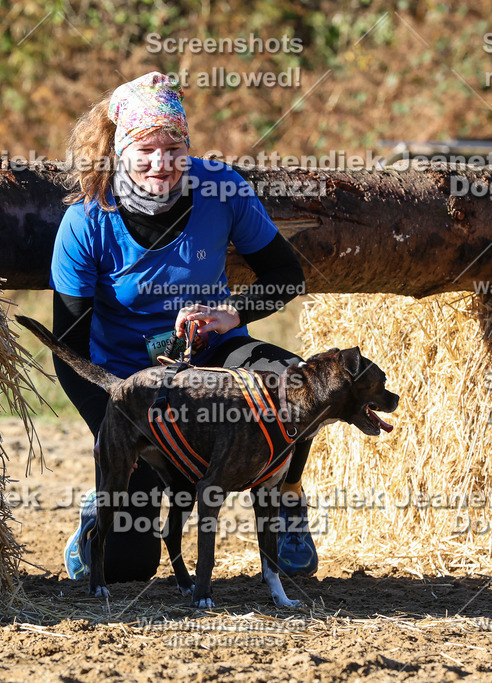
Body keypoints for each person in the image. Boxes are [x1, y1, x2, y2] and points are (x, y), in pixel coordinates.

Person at [51, 71, 317, 583]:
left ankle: (286, 505)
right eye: (145, 150)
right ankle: (97, 513)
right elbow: (67, 350)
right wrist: (117, 432)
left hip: (215, 360)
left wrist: (231, 315)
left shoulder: (220, 187)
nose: (161, 164)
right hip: (131, 387)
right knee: (129, 566)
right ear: (118, 150)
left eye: (174, 148)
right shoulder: (87, 221)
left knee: (295, 380)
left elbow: (286, 274)